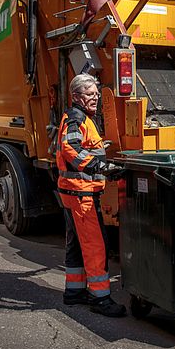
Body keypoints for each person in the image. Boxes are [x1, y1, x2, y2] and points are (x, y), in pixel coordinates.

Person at [57, 73, 126, 317]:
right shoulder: (76, 118)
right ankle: (100, 299)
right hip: (81, 194)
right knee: (96, 246)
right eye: (89, 94)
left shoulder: (82, 118)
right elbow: (70, 148)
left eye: (96, 93)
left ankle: (74, 293)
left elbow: (82, 147)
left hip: (74, 192)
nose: (95, 97)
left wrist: (102, 157)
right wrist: (99, 166)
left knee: (76, 244)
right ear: (76, 96)